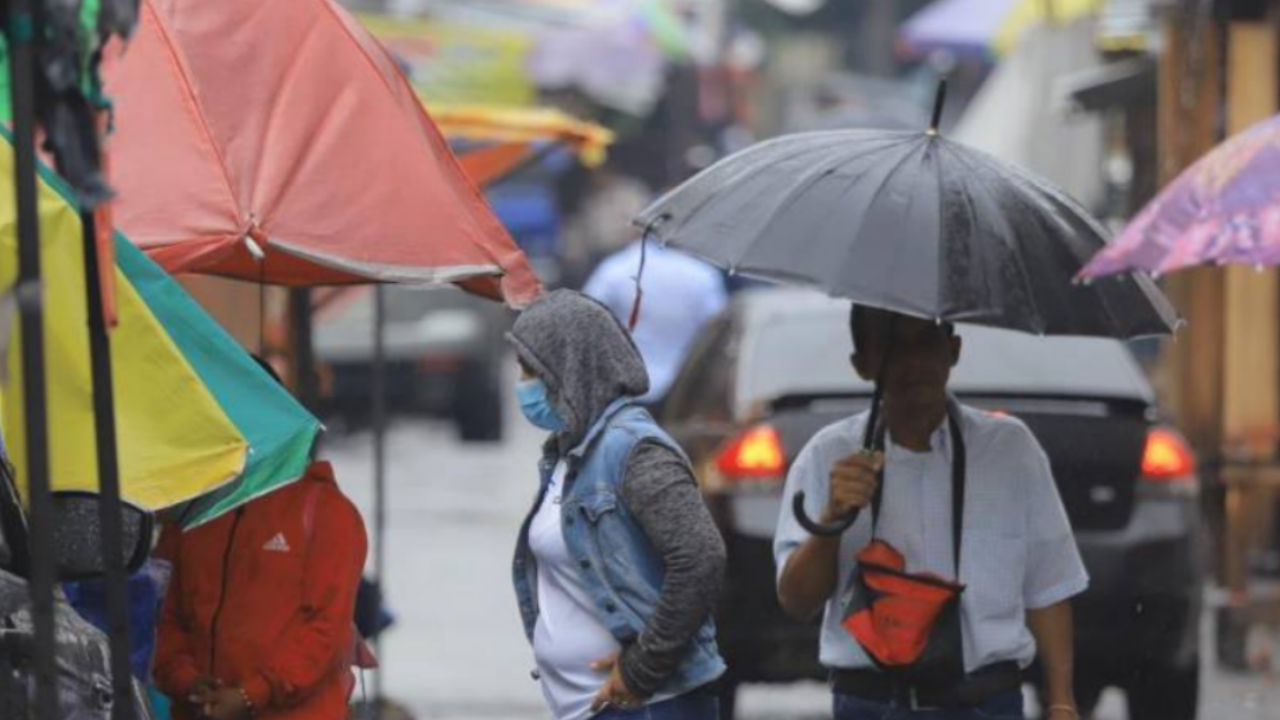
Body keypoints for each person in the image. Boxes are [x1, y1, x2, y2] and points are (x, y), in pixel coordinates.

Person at [774, 305, 1088, 720]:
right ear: (862, 364)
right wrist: (832, 519)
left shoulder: (1010, 449)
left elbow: (1049, 585)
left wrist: (1062, 701)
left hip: (987, 702)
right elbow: (797, 601)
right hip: (871, 704)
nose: (913, 361)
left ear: (953, 350)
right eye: (891, 347)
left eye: (926, 341)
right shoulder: (828, 456)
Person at [506, 290, 727, 720]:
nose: (522, 385)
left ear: (569, 370)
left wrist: (642, 669)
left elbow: (701, 559)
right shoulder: (566, 456)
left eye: (530, 369)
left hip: (649, 707)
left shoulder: (634, 450)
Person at [154, 359, 367, 720]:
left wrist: (250, 695)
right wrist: (189, 682)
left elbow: (324, 631)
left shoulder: (326, 512)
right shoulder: (193, 513)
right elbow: (165, 612)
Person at [583, 240, 727, 411]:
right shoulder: (702, 275)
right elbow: (717, 330)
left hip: (623, 385)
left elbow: (585, 318)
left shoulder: (616, 267)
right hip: (683, 388)